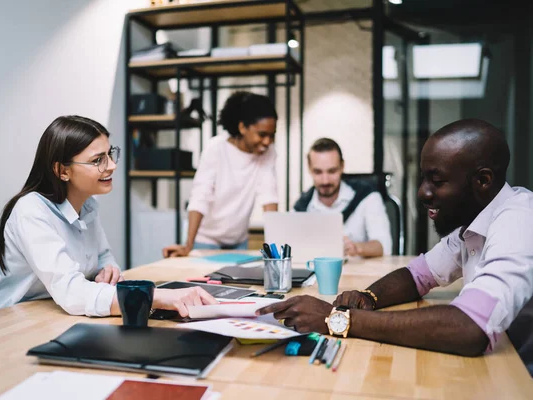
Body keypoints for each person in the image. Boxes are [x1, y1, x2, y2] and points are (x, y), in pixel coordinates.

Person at [258, 119, 533, 357]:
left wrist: (338, 319)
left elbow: (470, 327)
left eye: (436, 181)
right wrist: (368, 297)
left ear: (483, 181)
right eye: (423, 179)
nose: (422, 193)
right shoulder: (472, 223)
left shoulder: (519, 219)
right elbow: (418, 275)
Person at [0, 115, 216, 317]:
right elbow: (71, 292)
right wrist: (156, 296)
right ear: (62, 171)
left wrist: (108, 269)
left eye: (110, 154)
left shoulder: (88, 205)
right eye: (98, 160)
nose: (112, 165)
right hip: (8, 324)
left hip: (50, 315)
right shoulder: (31, 211)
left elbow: (103, 257)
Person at [163, 91, 279, 257]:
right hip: (206, 240)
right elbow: (200, 197)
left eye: (271, 135)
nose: (267, 142)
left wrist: (274, 253)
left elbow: (269, 198)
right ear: (242, 127)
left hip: (239, 241)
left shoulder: (268, 153)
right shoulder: (216, 148)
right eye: (262, 134)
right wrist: (188, 245)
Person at [294, 138, 392, 257]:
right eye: (318, 172)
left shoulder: (368, 197)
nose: (325, 180)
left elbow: (385, 247)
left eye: (332, 171)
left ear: (342, 166)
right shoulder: (301, 207)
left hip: (361, 273)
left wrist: (357, 248)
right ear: (309, 169)